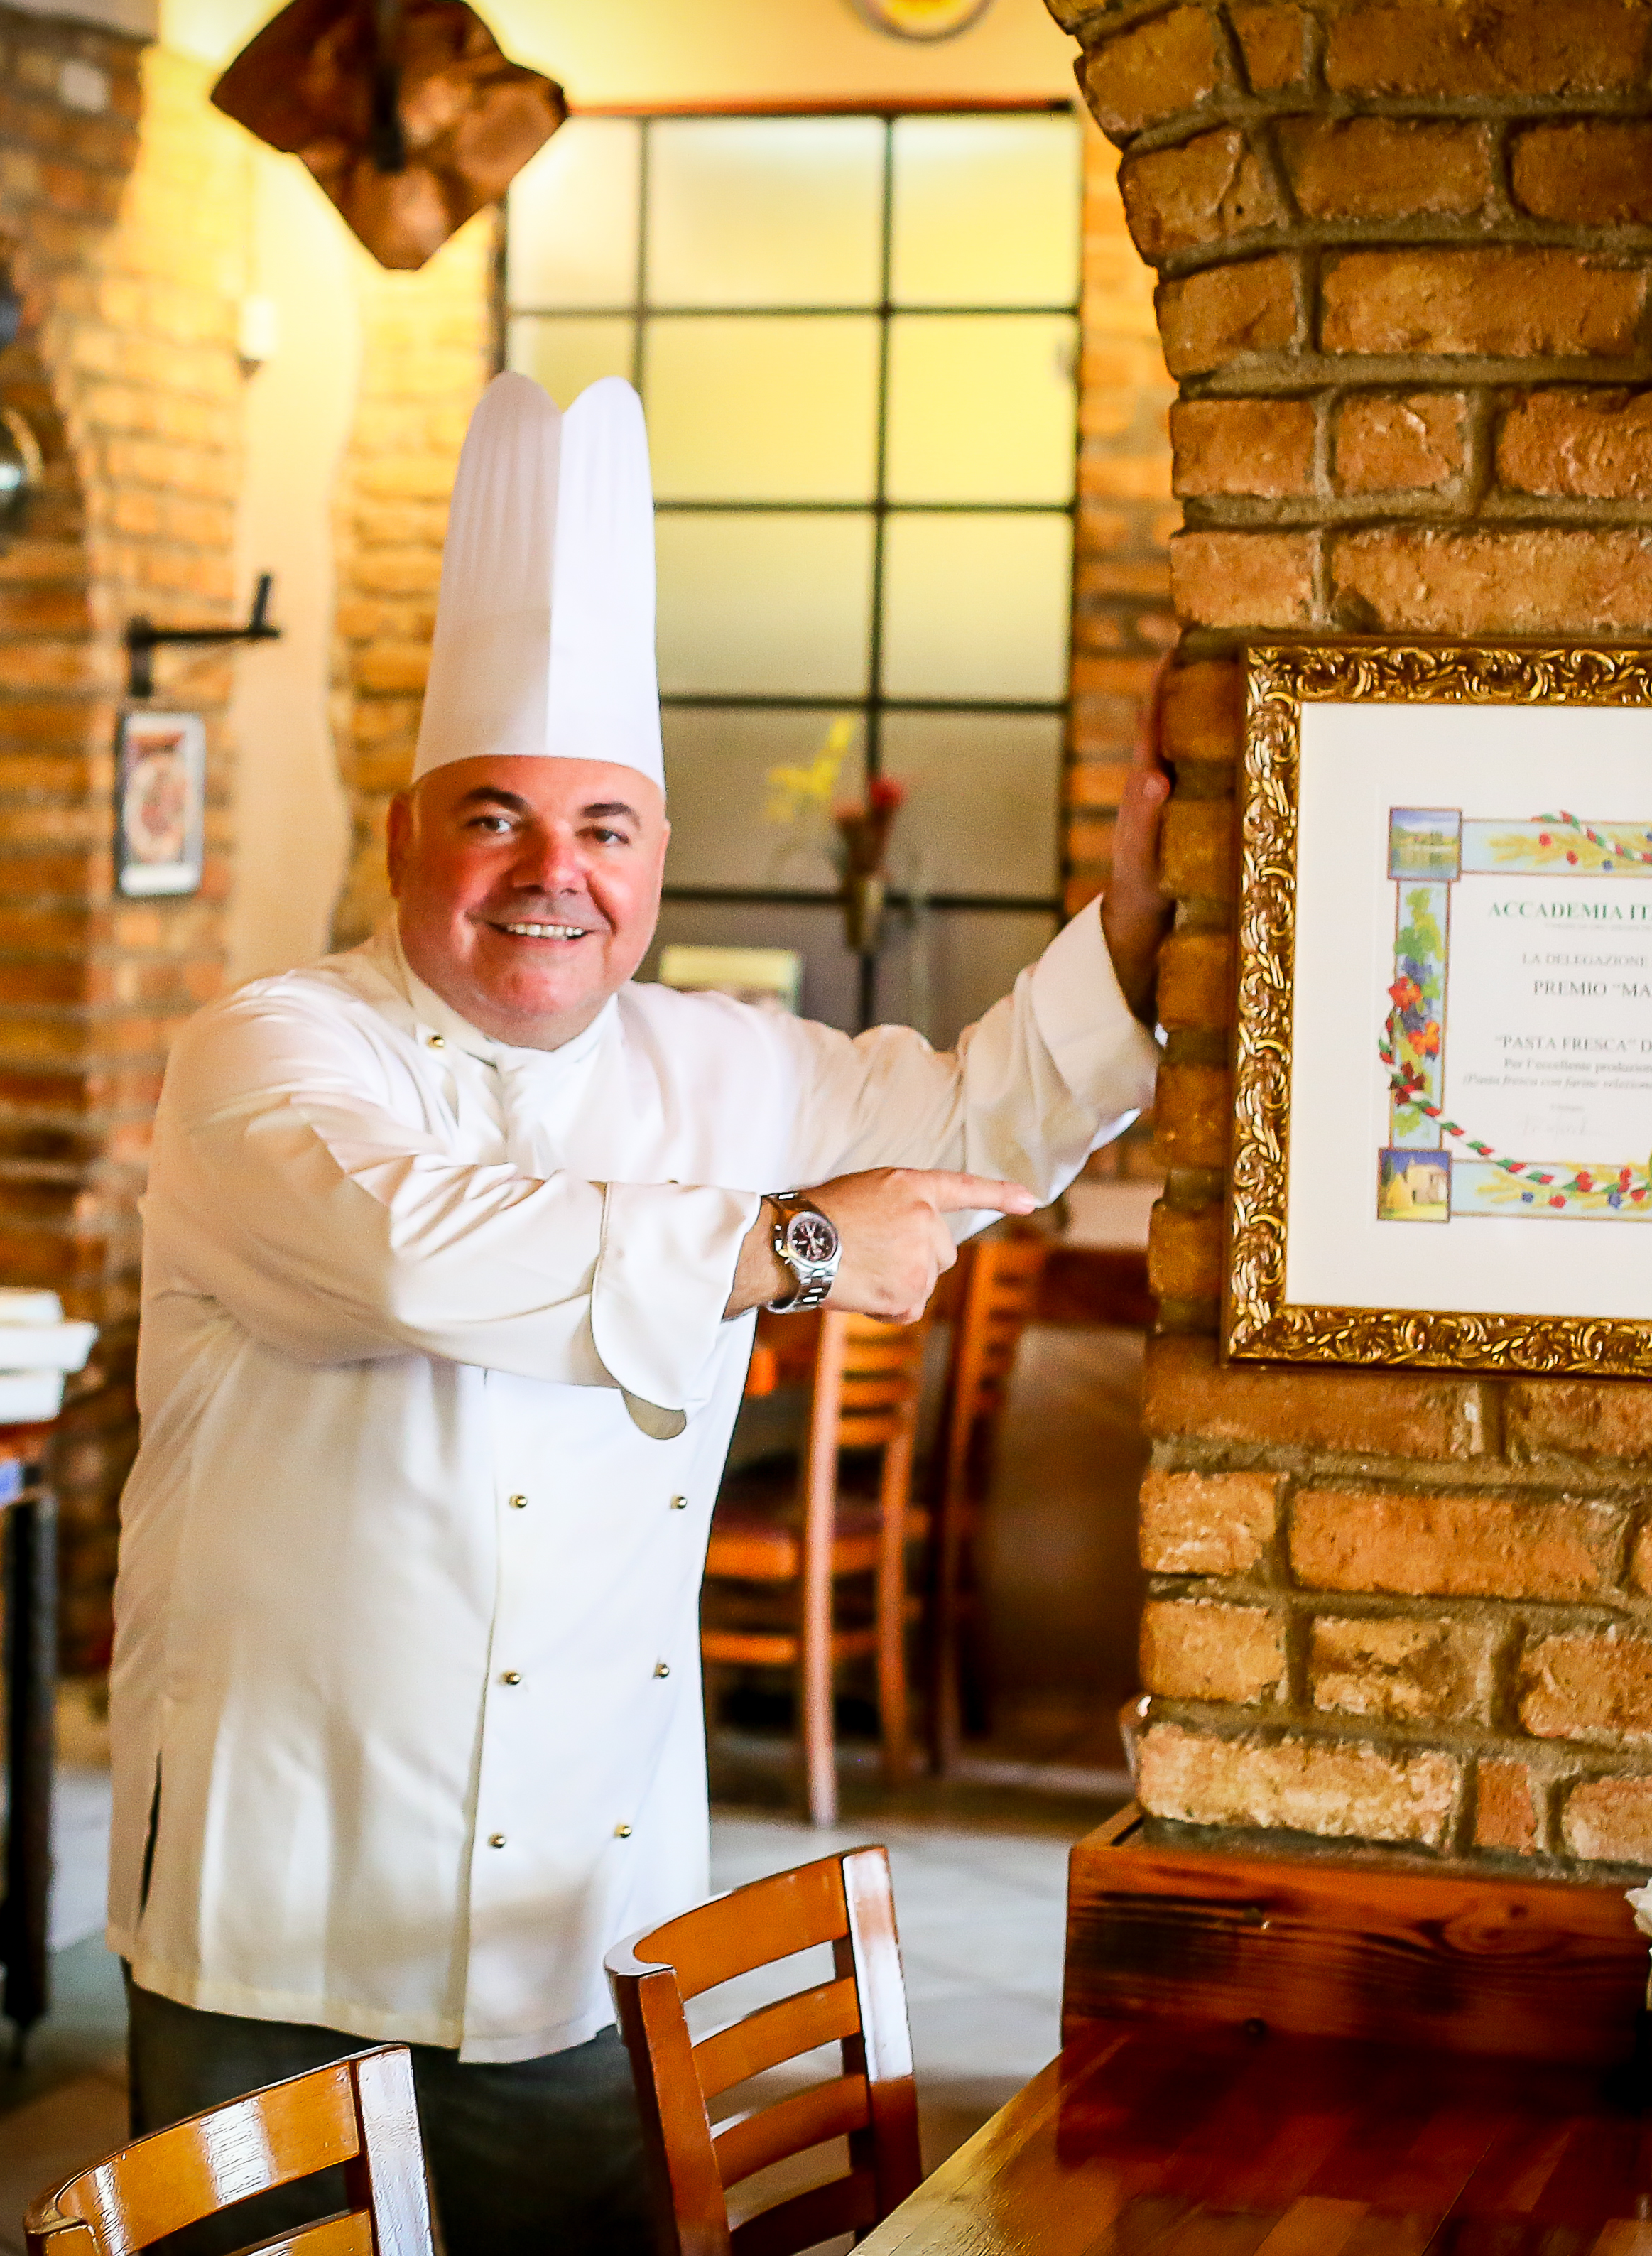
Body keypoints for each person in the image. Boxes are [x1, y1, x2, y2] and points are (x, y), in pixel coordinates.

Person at [104, 369, 1173, 2250]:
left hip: (571, 1924)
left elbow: (989, 1123)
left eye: (603, 827)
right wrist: (794, 1248)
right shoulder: (272, 1047)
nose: (551, 879)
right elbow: (418, 1252)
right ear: (404, 834)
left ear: (656, 857)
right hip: (278, 1906)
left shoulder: (725, 1064)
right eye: (495, 819)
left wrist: (1142, 919)